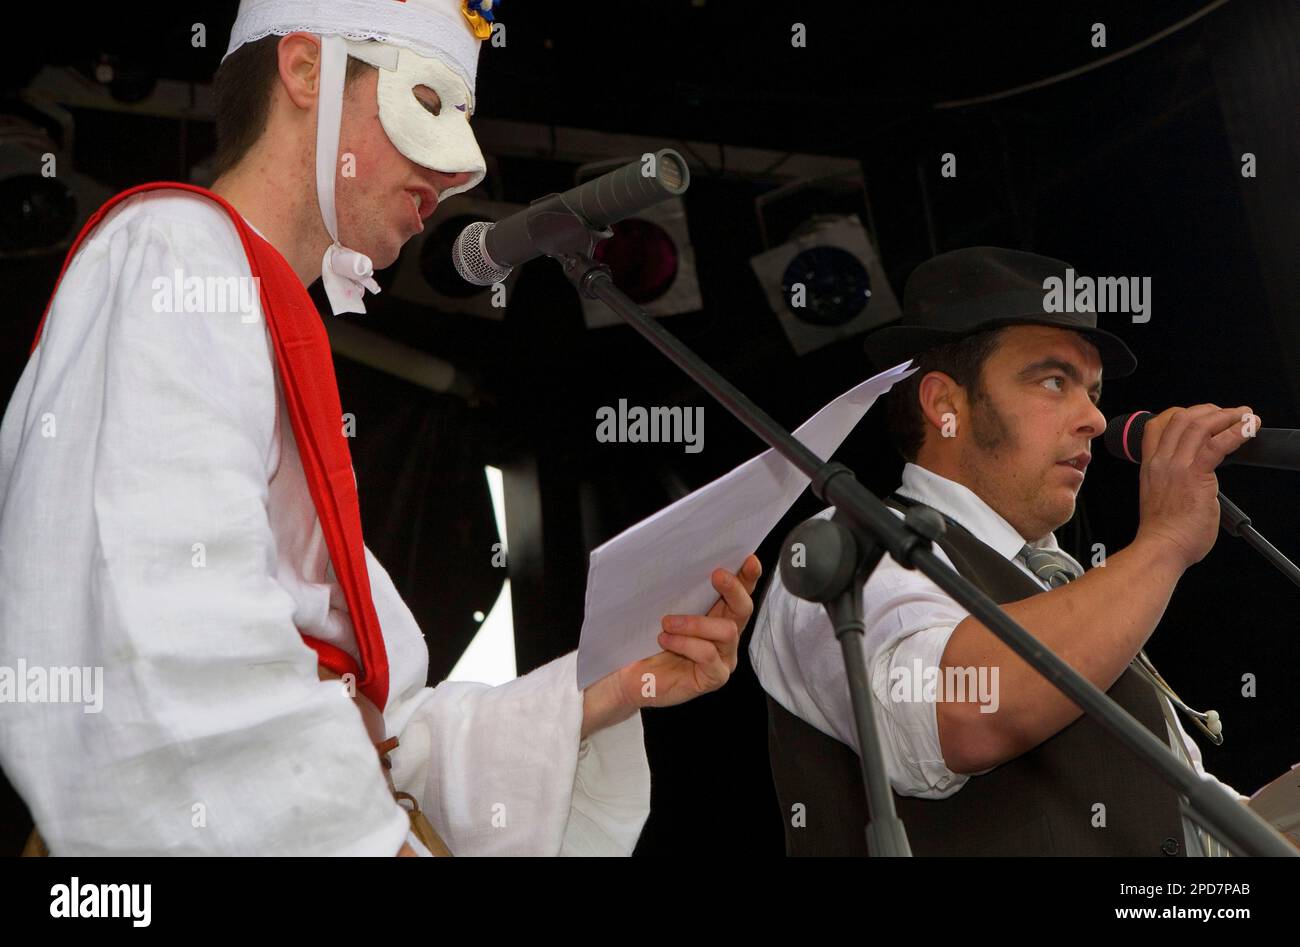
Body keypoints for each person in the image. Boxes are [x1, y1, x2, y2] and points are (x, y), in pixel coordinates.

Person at [0, 0, 761, 856]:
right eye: (428, 105)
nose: (459, 172)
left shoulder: (258, 317)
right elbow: (166, 642)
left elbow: (385, 735)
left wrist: (606, 695)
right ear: (305, 70)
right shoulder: (173, 256)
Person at [752, 246, 1253, 856]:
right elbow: (968, 710)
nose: (1095, 418)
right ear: (945, 406)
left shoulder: (1063, 583)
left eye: (1092, 391)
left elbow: (1182, 815)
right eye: (1053, 381)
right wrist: (1165, 543)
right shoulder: (847, 544)